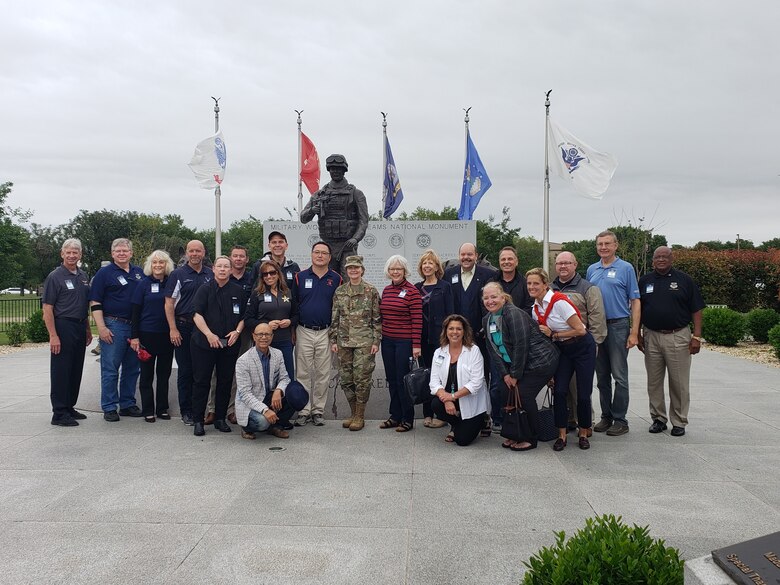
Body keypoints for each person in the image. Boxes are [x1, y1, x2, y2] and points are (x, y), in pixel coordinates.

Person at [482, 282, 559, 451]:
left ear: (503, 297)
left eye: (494, 296)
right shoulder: (487, 319)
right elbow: (493, 351)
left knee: (524, 394)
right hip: (516, 365)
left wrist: (515, 375)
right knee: (505, 391)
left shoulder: (513, 314)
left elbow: (520, 346)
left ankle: (531, 437)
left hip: (541, 362)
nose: (490, 301)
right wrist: (505, 375)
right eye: (486, 298)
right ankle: (514, 432)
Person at [638, 246, 705, 437]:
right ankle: (658, 419)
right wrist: (637, 333)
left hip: (678, 336)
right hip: (651, 335)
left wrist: (697, 336)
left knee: (679, 382)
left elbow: (697, 309)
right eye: (657, 257)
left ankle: (679, 421)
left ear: (671, 258)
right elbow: (638, 308)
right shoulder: (645, 281)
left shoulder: (684, 280)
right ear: (652, 260)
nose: (660, 260)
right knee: (654, 382)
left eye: (664, 256)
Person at [527, 268, 595, 451]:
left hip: (582, 347)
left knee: (583, 393)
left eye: (536, 283)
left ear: (545, 284)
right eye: (529, 283)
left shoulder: (559, 302)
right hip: (563, 350)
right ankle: (561, 434)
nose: (531, 287)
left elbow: (581, 330)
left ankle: (583, 432)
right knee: (559, 391)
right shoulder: (535, 308)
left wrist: (555, 334)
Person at [586, 230, 640, 437]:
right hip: (597, 328)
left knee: (620, 375)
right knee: (601, 377)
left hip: (618, 326)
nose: (603, 247)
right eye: (600, 244)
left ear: (616, 245)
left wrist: (634, 331)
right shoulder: (592, 269)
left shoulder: (625, 268)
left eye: (607, 244)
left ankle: (620, 419)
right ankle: (606, 416)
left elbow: (635, 301)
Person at [190, 256, 247, 437]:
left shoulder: (238, 290)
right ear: (213, 269)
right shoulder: (204, 289)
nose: (222, 269)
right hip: (204, 344)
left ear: (231, 270)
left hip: (228, 344)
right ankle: (198, 420)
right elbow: (196, 315)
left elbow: (244, 316)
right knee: (201, 381)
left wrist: (237, 332)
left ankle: (220, 418)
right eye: (219, 266)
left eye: (226, 267)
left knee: (225, 381)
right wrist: (209, 334)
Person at [89, 238, 144, 422]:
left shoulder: (139, 273)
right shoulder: (104, 274)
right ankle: (109, 406)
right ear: (112, 254)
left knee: (132, 368)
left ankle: (127, 403)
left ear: (131, 253)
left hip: (135, 327)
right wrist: (101, 328)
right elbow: (95, 302)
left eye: (125, 251)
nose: (122, 253)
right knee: (111, 368)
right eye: (118, 251)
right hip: (114, 325)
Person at [552, 251, 607, 431]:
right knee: (562, 387)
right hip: (558, 346)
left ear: (575, 265)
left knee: (580, 389)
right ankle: (567, 421)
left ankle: (585, 423)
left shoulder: (588, 288)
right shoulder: (550, 289)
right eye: (560, 263)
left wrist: (595, 344)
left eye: (567, 263)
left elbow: (597, 317)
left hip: (581, 346)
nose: (563, 266)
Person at [41, 238, 92, 426]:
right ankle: (59, 412)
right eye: (68, 252)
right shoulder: (55, 276)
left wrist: (87, 329)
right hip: (63, 326)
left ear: (80, 255)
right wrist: (53, 335)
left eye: (75, 252)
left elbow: (84, 306)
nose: (72, 255)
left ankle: (70, 405)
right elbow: (47, 308)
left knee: (75, 368)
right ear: (62, 254)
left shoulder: (83, 276)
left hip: (79, 326)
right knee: (61, 369)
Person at [292, 241, 342, 426]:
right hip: (304, 330)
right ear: (312, 255)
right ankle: (304, 410)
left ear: (329, 257)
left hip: (326, 332)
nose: (320, 256)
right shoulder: (300, 277)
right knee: (303, 373)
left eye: (324, 253)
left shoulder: (336, 278)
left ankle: (318, 410)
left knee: (323, 373)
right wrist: (293, 330)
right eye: (317, 252)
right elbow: (294, 304)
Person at [330, 255, 381, 432]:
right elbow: (335, 317)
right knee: (345, 379)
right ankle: (353, 413)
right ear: (346, 270)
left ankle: (360, 415)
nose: (353, 270)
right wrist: (333, 339)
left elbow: (377, 318)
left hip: (365, 341)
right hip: (344, 342)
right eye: (350, 268)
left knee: (362, 379)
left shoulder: (371, 291)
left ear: (362, 270)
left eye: (356, 268)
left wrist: (376, 340)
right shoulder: (340, 291)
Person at [165, 240, 213, 425]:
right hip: (183, 327)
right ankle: (187, 411)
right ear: (186, 253)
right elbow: (169, 303)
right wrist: (173, 328)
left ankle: (199, 410)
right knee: (185, 371)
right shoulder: (178, 274)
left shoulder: (210, 273)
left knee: (201, 372)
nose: (195, 254)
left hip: (203, 329)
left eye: (198, 251)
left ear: (203, 252)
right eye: (191, 251)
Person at [205, 245, 254, 425]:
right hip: (217, 333)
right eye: (235, 256)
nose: (238, 259)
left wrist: (239, 330)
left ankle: (232, 409)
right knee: (215, 372)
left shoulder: (252, 278)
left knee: (236, 371)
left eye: (242, 256)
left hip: (241, 331)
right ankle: (212, 409)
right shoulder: (222, 278)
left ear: (247, 259)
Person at [300, 154, 369, 275]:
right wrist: (312, 210)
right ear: (329, 170)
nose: (335, 171)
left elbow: (363, 221)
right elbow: (303, 218)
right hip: (327, 246)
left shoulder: (356, 193)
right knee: (327, 281)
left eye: (339, 169)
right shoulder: (319, 194)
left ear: (344, 170)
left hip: (347, 246)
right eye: (332, 169)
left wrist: (355, 239)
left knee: (350, 280)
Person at [487, 246, 531, 431]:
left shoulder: (524, 283)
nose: (506, 262)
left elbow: (530, 307)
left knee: (517, 380)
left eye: (510, 259)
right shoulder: (491, 281)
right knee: (498, 382)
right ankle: (498, 418)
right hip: (497, 340)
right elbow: (486, 305)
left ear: (516, 261)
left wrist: (514, 323)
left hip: (518, 340)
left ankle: (517, 418)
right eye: (503, 259)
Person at [129, 250, 175, 422]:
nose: (158, 265)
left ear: (166, 265)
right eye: (155, 262)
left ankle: (162, 408)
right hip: (146, 335)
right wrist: (135, 337)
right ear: (150, 265)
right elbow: (135, 312)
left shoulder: (171, 282)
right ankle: (148, 409)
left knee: (164, 374)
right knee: (146, 375)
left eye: (161, 262)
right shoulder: (143, 284)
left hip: (166, 335)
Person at [429, 315, 489, 446]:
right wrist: (446, 399)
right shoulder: (439, 352)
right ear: (445, 331)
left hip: (471, 402)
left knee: (462, 440)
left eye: (458, 329)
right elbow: (433, 381)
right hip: (451, 400)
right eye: (451, 328)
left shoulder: (473, 351)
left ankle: (482, 419)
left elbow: (476, 383)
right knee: (435, 404)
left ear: (464, 331)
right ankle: (456, 423)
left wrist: (451, 397)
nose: (454, 332)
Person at [379, 254, 422, 433]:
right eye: (392, 269)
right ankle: (395, 415)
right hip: (387, 341)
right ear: (388, 272)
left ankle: (407, 418)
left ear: (405, 271)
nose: (395, 271)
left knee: (403, 380)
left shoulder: (412, 291)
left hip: (405, 342)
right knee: (392, 380)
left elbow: (417, 319)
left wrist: (416, 345)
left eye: (399, 269)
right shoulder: (387, 290)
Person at [235, 322, 295, 440]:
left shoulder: (277, 354)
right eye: (260, 334)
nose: (264, 337)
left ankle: (275, 426)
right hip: (251, 404)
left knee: (296, 394)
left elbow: (284, 378)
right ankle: (246, 428)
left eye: (267, 334)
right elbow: (245, 394)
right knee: (263, 422)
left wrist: (279, 390)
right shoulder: (243, 361)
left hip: (269, 397)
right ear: (253, 336)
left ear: (272, 336)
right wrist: (265, 410)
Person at [414, 249, 452, 428]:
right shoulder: (416, 288)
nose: (427, 266)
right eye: (424, 263)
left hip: (440, 339)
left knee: (442, 375)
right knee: (426, 375)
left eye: (430, 263)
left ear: (437, 266)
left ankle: (442, 413)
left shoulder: (445, 287)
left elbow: (451, 314)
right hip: (422, 339)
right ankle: (427, 413)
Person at [244, 259, 298, 382]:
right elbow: (248, 320)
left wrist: (290, 322)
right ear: (261, 277)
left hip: (285, 341)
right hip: (264, 342)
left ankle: (285, 401)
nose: (269, 276)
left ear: (278, 274)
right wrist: (266, 325)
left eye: (272, 273)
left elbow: (296, 315)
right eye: (265, 274)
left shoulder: (288, 292)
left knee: (287, 377)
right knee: (265, 377)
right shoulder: (257, 294)